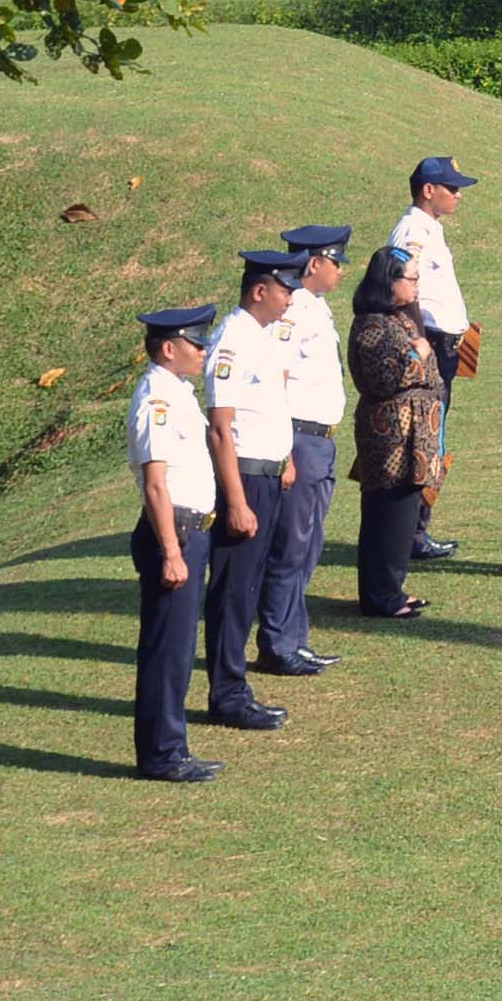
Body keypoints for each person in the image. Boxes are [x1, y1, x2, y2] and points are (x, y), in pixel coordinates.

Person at [129, 303, 237, 781]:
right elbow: (155, 484)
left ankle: (171, 748)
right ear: (168, 348)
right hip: (173, 532)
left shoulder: (178, 392)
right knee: (166, 651)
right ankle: (161, 754)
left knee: (176, 648)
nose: (203, 349)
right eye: (195, 342)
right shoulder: (157, 398)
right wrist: (171, 551)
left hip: (192, 529)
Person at [201, 253, 300, 702]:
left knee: (250, 584)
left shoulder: (259, 337)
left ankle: (236, 683)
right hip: (244, 478)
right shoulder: (231, 342)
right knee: (233, 590)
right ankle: (227, 692)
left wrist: (286, 460)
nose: (291, 300)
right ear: (260, 291)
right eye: (285, 291)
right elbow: (222, 429)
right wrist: (237, 502)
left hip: (268, 474)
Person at [264, 221, 357, 675]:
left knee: (309, 543)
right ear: (314, 263)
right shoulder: (294, 311)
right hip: (299, 439)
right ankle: (278, 644)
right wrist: (283, 452)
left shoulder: (314, 306)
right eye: (336, 261)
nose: (343, 269)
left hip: (320, 439)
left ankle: (294, 638)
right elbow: (277, 381)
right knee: (291, 547)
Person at [384, 157, 478, 563]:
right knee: (425, 438)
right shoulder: (412, 233)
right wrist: (419, 341)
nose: (457, 195)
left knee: (434, 438)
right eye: (450, 187)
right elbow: (405, 292)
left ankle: (417, 528)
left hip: (449, 345)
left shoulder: (431, 230)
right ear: (428, 190)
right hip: (431, 345)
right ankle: (411, 533)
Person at [346, 251, 445, 619]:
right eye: (411, 279)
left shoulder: (398, 319)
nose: (416, 286)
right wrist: (418, 356)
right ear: (390, 282)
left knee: (403, 516)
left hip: (412, 438)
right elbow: (383, 380)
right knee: (386, 516)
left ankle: (392, 589)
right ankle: (380, 595)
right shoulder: (372, 326)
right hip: (391, 439)